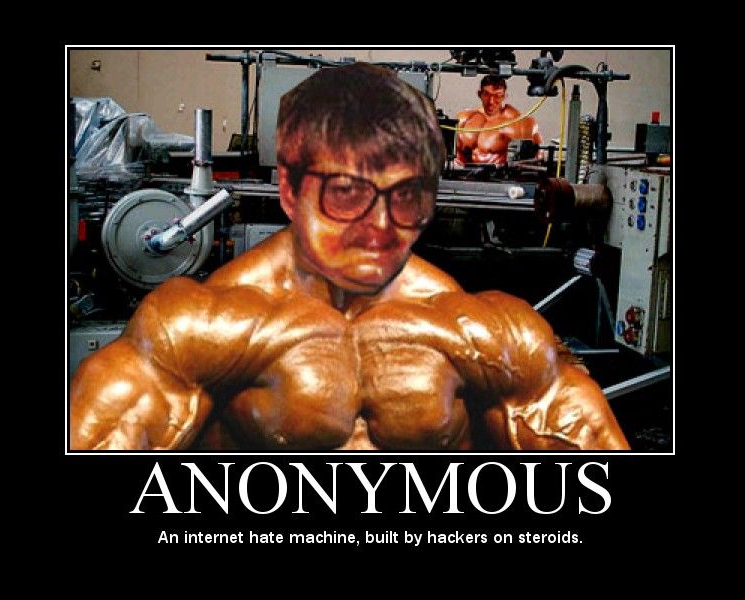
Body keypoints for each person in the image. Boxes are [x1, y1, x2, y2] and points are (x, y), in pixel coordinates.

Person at [70, 63, 628, 451]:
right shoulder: (197, 328)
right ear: (289, 190)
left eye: (405, 195)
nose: (380, 227)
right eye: (346, 193)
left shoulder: (486, 333)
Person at [455, 75, 544, 166]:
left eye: (497, 96)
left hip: (502, 174)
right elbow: (456, 157)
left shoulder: (519, 122)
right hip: (469, 173)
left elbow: (538, 157)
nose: (491, 101)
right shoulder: (464, 120)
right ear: (479, 94)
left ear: (504, 96)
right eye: (486, 94)